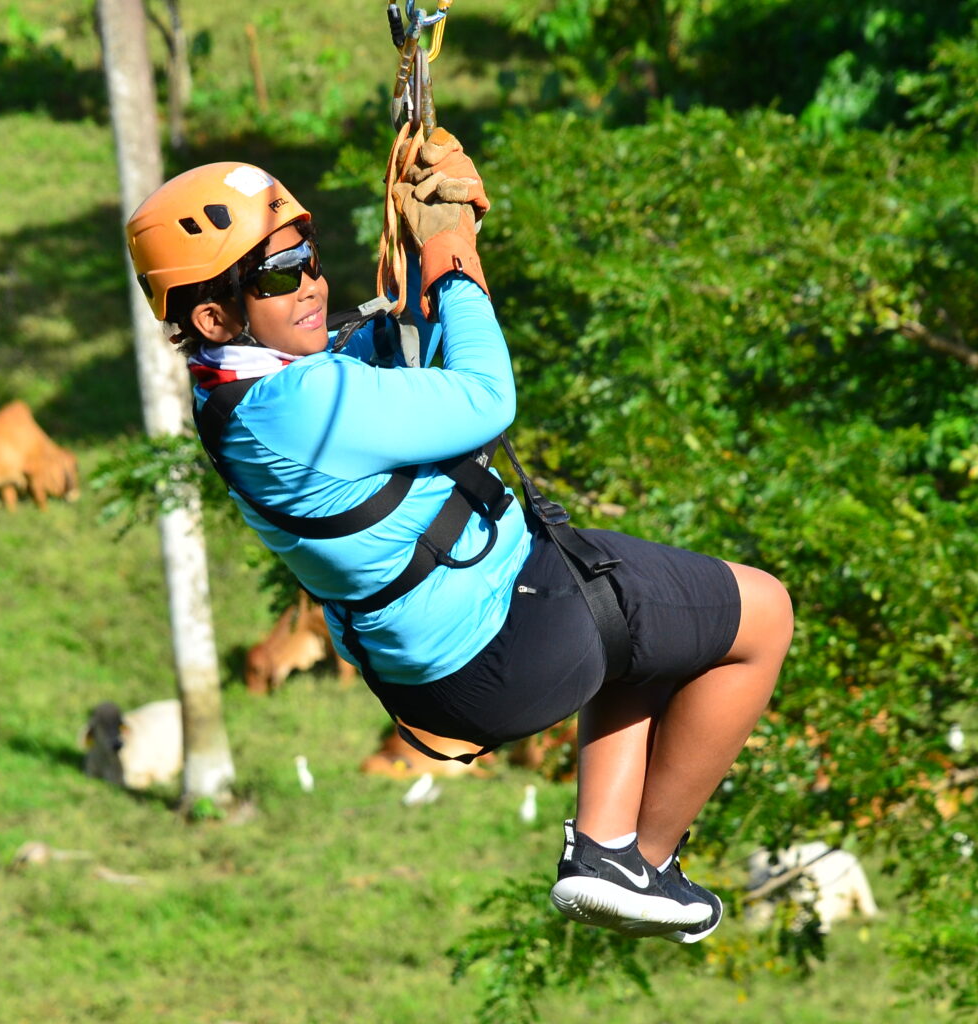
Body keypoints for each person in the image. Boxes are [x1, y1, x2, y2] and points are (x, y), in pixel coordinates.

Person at [125, 133, 793, 942]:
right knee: (762, 613)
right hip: (515, 636)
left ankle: (611, 846)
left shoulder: (237, 392)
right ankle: (644, 853)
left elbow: (404, 347)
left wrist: (427, 253)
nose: (309, 283)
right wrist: (452, 248)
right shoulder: (294, 407)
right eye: (277, 274)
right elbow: (485, 397)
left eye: (307, 256)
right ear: (212, 315)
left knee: (655, 627)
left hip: (448, 672)